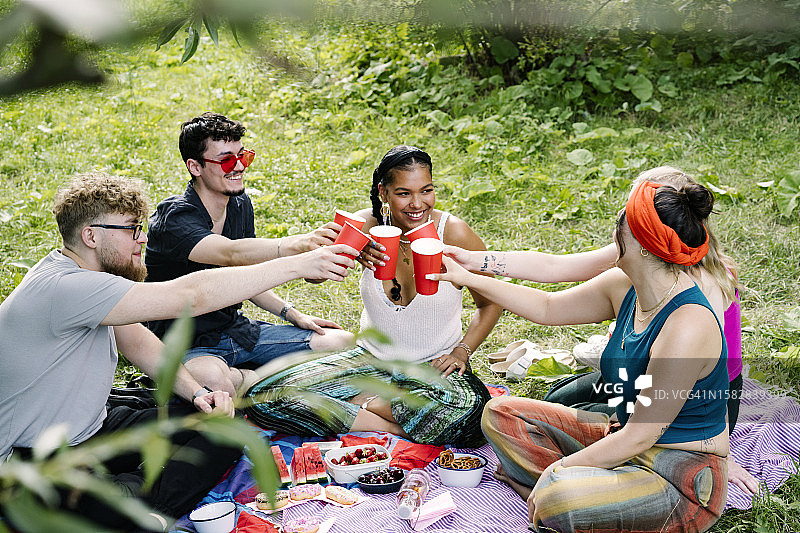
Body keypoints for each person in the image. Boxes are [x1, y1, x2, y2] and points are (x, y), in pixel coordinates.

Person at [0, 173, 356, 529]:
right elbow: (192, 296)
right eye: (132, 229)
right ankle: (133, 506)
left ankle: (133, 496)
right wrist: (297, 264)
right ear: (91, 236)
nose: (143, 238)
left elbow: (138, 341)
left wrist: (199, 393)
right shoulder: (67, 288)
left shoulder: (85, 278)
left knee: (223, 428)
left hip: (92, 426)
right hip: (34, 458)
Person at [430, 177, 730, 532]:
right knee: (499, 412)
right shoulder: (624, 285)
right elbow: (546, 307)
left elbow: (641, 436)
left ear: (646, 248)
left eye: (624, 226)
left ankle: (560, 494)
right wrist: (470, 276)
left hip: (677, 475)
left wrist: (557, 471)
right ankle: (580, 493)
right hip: (620, 435)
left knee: (560, 497)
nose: (614, 231)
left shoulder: (687, 325)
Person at [242, 145, 503, 446]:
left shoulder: (454, 233)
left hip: (433, 369)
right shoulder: (365, 225)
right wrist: (340, 248)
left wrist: (462, 351)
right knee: (262, 398)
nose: (418, 204)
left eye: (426, 191)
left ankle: (363, 408)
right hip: (368, 360)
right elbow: (313, 277)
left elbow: (491, 301)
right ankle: (392, 424)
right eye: (404, 193)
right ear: (383, 193)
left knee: (472, 412)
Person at [145, 112, 354, 397]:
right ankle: (256, 379)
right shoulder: (175, 218)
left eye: (243, 156)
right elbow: (230, 253)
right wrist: (298, 246)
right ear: (194, 166)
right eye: (227, 160)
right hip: (188, 344)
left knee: (342, 342)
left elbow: (246, 273)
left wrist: (294, 315)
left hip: (236, 331)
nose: (239, 166)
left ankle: (254, 381)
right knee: (214, 383)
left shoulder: (239, 203)